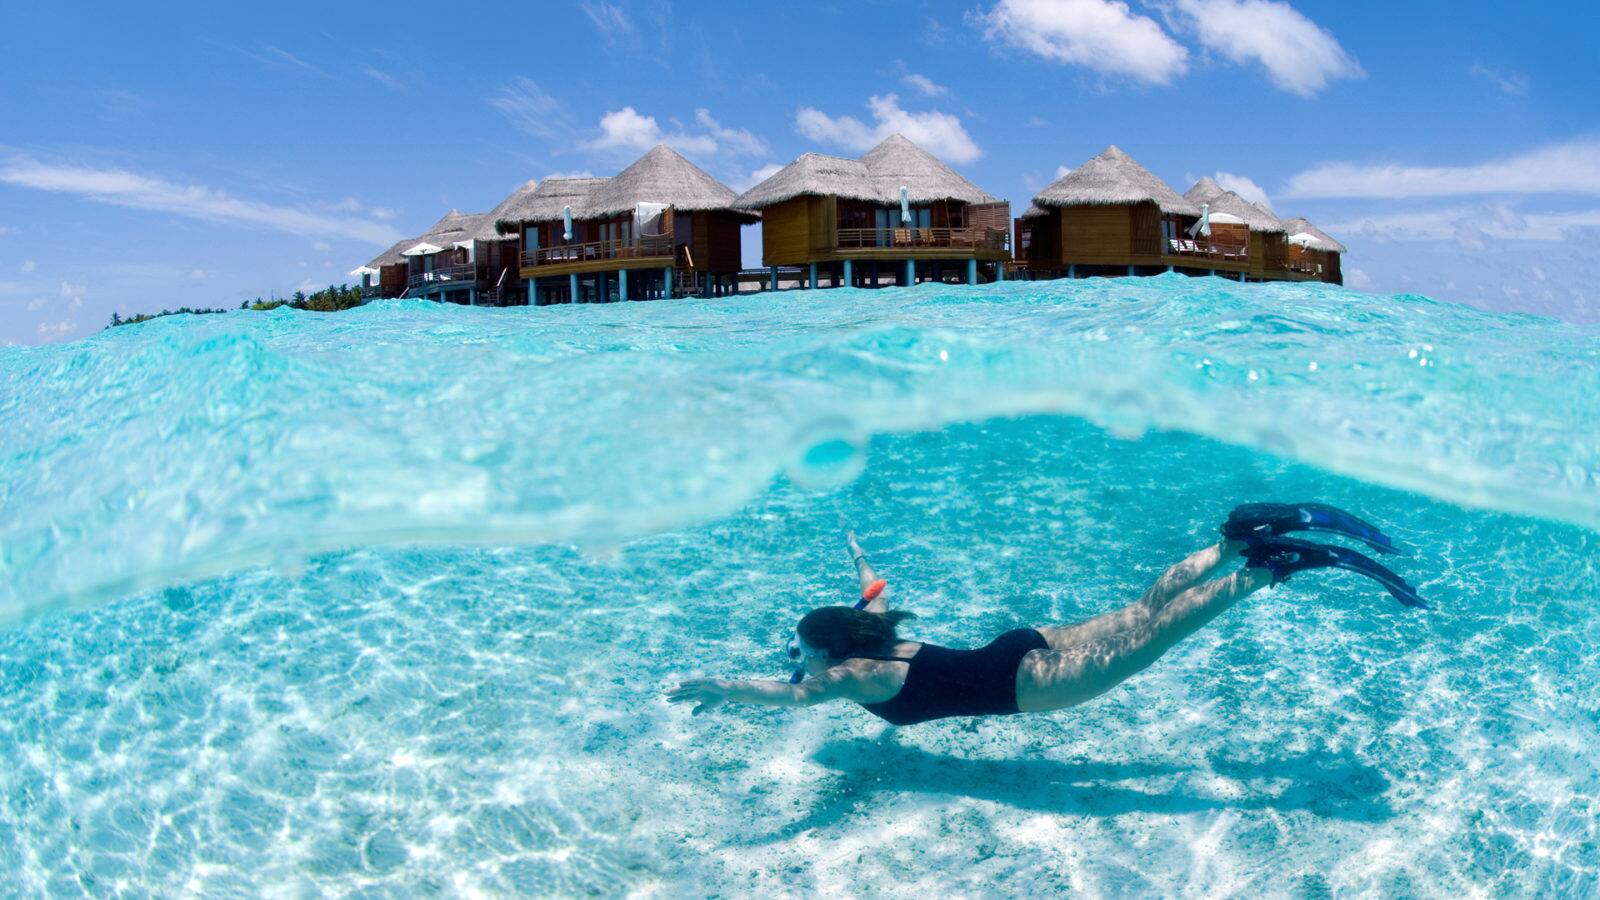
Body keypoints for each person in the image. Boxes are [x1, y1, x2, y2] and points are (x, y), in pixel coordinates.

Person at [668, 503, 1424, 726]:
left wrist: (721, 688)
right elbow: (873, 589)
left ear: (827, 652)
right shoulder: (875, 630)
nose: (804, 662)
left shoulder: (853, 676)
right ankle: (1229, 544)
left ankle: (1265, 571)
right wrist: (858, 555)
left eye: (806, 652)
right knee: (1142, 607)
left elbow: (790, 694)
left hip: (1030, 688)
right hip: (1020, 645)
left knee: (1161, 632)